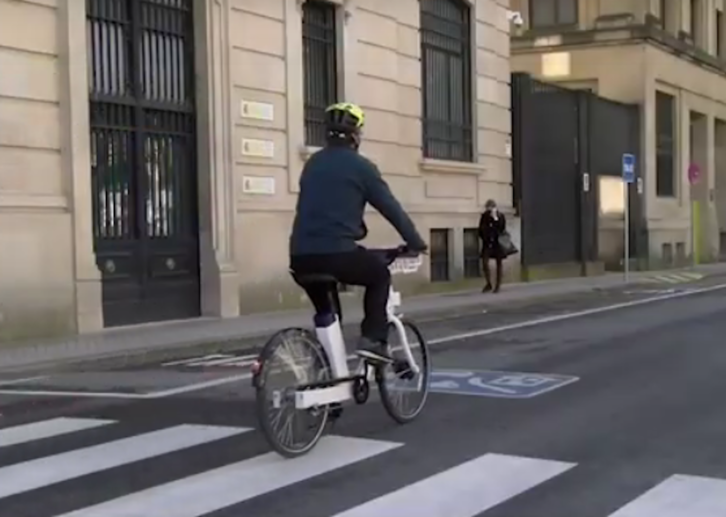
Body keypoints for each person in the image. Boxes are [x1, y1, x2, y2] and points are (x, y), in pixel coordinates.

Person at [289, 102, 428, 364]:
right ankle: (373, 341)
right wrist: (416, 242)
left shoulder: (312, 164)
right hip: (337, 253)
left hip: (300, 256)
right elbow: (391, 208)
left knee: (328, 314)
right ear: (355, 135)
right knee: (378, 276)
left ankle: (329, 372)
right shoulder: (361, 167)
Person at [478, 199, 505, 293]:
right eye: (488, 208)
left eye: (491, 208)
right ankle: (488, 283)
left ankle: (498, 285)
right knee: (485, 262)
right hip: (488, 242)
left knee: (499, 264)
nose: (489, 210)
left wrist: (495, 218)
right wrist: (485, 236)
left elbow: (501, 228)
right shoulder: (484, 216)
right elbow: (480, 229)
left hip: (498, 243)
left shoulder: (500, 216)